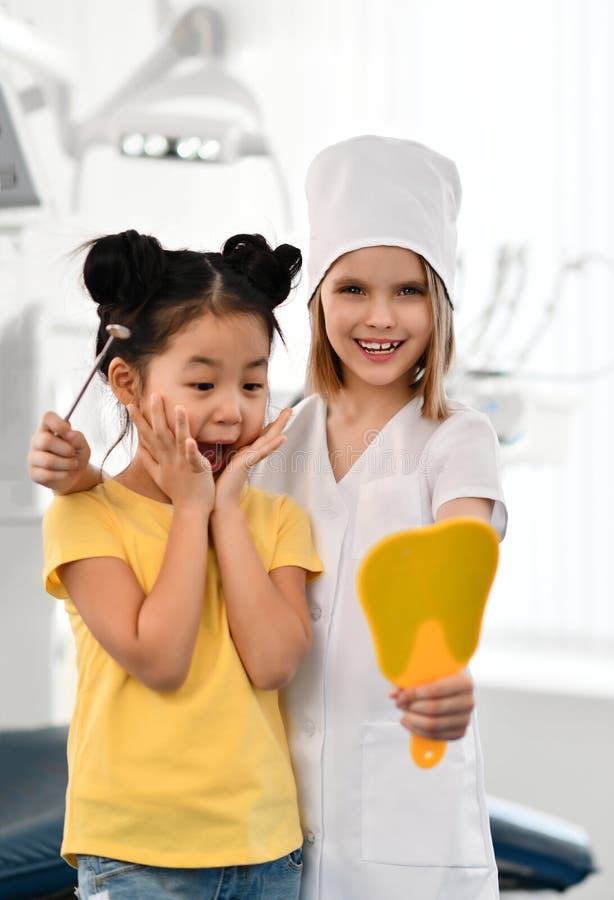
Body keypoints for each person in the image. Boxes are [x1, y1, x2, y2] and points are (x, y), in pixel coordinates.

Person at [30, 136, 507, 900]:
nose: (379, 316)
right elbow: (176, 509)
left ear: (440, 302)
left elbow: (459, 554)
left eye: (409, 291)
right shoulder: (273, 439)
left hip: (387, 811)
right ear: (316, 296)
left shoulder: (456, 440)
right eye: (351, 288)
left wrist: (441, 662)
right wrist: (87, 477)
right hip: (277, 822)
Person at [36, 230, 322, 900]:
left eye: (253, 383)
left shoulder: (275, 521)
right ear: (127, 383)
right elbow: (161, 659)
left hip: (265, 850)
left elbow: (274, 662)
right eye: (202, 383)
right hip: (138, 858)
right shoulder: (87, 515)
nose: (232, 410)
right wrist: (192, 513)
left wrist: (224, 512)